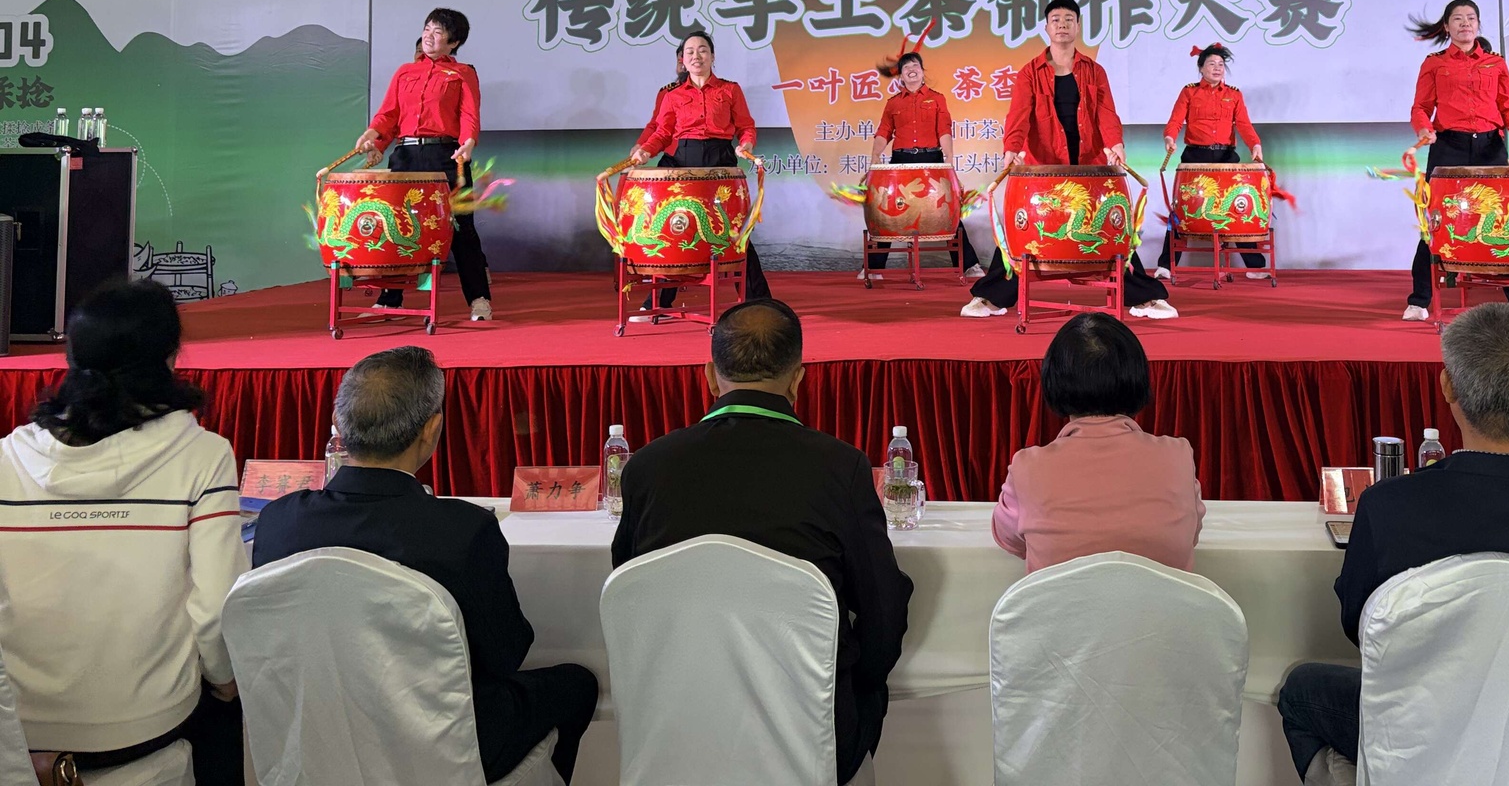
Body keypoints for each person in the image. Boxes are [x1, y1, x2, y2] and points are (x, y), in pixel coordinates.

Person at [1276, 302, 1509, 786]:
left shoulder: (1389, 506)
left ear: (1448, 386)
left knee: (1301, 690)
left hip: (1420, 748)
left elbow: (1360, 629)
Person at [253, 347, 599, 783]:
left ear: (338, 424)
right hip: (441, 745)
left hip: (314, 736)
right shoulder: (462, 531)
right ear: (432, 429)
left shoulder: (278, 522)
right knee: (576, 686)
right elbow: (506, 655)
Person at [612, 299, 912, 784]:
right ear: (799, 380)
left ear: (710, 378)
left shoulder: (646, 467)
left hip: (678, 725)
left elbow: (631, 594)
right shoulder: (840, 468)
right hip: (810, 735)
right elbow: (882, 612)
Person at [0, 280, 248, 785]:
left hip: (18, 735)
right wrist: (225, 680)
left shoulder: (8, 458)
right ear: (169, 358)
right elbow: (216, 607)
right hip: (150, 726)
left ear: (71, 357)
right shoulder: (202, 456)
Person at [965, 0, 1172, 319]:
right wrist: (1011, 149)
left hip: (1089, 164)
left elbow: (1106, 112)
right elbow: (1018, 116)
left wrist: (1115, 143)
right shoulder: (1030, 73)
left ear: (1077, 26)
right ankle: (992, 297)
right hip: (1044, 166)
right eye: (1056, 19)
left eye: (1068, 19)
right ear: (1047, 27)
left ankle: (1143, 297)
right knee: (1025, 232)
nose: (1062, 25)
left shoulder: (1094, 70)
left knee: (1111, 230)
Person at [991, 312, 1203, 572]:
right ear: (1137, 377)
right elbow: (1190, 535)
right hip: (1166, 600)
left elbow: (1008, 539)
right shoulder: (1178, 456)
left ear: (1053, 381)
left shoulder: (1028, 467)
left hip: (1058, 600)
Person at [1402, 0, 1509, 321]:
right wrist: (1424, 129)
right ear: (1447, 26)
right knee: (1435, 222)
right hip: (1448, 146)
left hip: (1491, 146)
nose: (1465, 23)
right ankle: (1419, 300)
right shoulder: (1434, 63)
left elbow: (1508, 106)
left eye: (1471, 18)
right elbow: (1421, 107)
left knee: (1502, 220)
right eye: (1457, 18)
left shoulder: (1496, 63)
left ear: (1478, 25)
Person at [355, 7, 494, 322]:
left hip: (446, 156)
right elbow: (389, 114)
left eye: (438, 32)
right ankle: (391, 300)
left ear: (453, 42)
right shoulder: (405, 72)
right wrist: (374, 138)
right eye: (427, 29)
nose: (429, 36)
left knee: (461, 228)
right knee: (397, 226)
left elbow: (469, 115)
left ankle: (479, 300)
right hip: (405, 157)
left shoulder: (462, 73)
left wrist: (468, 142)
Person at [628, 29, 771, 305]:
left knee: (734, 233)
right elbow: (663, 132)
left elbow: (746, 126)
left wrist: (746, 144)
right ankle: (658, 302)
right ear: (682, 60)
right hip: (683, 163)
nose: (697, 56)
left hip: (720, 163)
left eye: (703, 50)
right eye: (690, 52)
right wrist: (646, 149)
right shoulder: (672, 95)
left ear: (713, 56)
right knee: (673, 229)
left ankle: (758, 301)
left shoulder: (730, 90)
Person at [863, 48, 983, 281]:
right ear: (901, 75)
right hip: (900, 162)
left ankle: (969, 264)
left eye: (915, 66)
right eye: (906, 67)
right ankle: (874, 267)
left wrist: (949, 159)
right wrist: (875, 156)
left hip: (932, 161)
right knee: (887, 211)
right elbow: (884, 131)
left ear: (922, 71)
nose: (911, 70)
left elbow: (944, 129)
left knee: (946, 211)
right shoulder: (893, 103)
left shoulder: (937, 99)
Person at [1155, 42, 1269, 281]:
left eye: (1221, 64)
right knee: (1183, 210)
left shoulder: (1234, 94)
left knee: (1237, 208)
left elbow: (1244, 125)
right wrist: (1169, 138)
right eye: (1211, 64)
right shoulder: (1189, 92)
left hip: (1226, 158)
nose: (1217, 68)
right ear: (1201, 68)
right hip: (1195, 157)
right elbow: (1175, 120)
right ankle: (1166, 265)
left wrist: (1255, 145)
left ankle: (1255, 265)